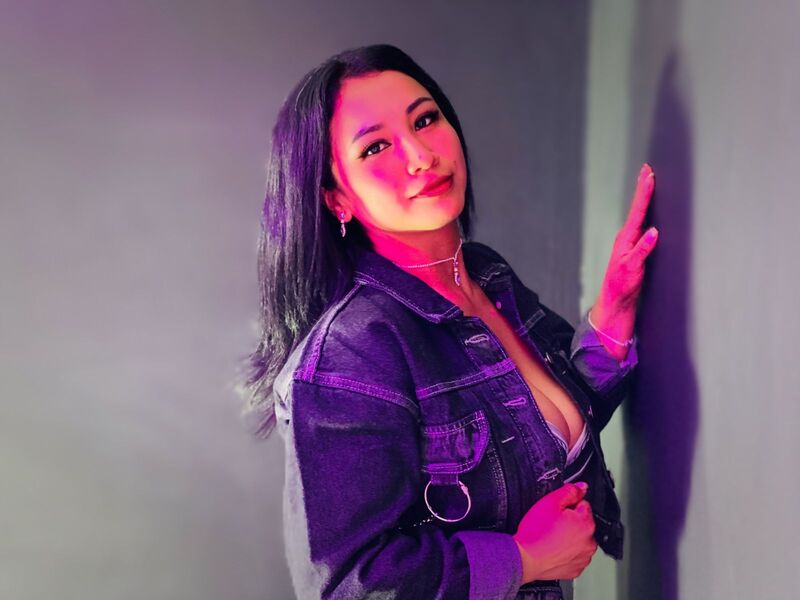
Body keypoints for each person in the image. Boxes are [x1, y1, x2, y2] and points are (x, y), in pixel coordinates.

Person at [238, 43, 658, 600]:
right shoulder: (348, 357)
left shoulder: (487, 277)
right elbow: (348, 584)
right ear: (338, 199)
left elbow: (550, 429)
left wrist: (615, 309)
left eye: (425, 120)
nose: (420, 155)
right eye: (376, 147)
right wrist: (523, 559)